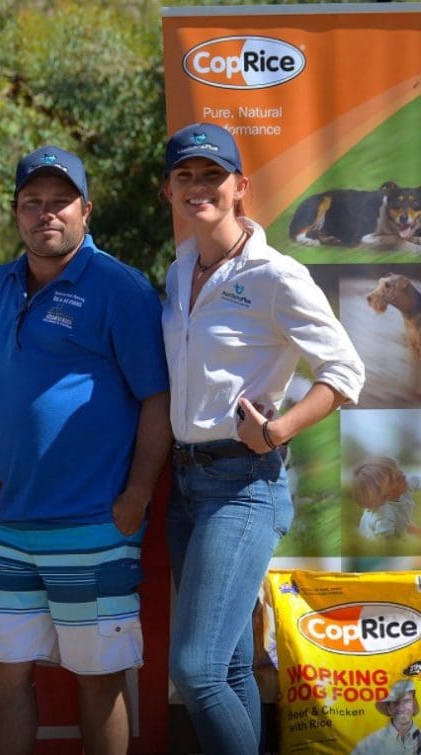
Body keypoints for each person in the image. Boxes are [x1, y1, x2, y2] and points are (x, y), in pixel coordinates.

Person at [0, 145, 171, 755]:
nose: (45, 214)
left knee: (98, 682)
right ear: (16, 212)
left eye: (60, 202)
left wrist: (136, 497)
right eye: (33, 202)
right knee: (2, 678)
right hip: (10, 526)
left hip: (95, 524)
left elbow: (158, 400)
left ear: (87, 209)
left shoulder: (120, 288)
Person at [160, 122, 365, 754]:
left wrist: (277, 430)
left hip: (243, 487)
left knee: (194, 670)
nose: (199, 188)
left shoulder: (278, 275)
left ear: (240, 188)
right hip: (185, 484)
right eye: (186, 177)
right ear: (168, 190)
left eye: (212, 177)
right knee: (225, 668)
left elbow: (346, 372)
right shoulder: (179, 269)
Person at [354, 457, 421, 539]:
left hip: (401, 523)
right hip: (375, 539)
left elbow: (403, 522)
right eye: (396, 479)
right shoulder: (383, 517)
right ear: (384, 495)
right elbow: (389, 545)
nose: (402, 475)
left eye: (399, 471)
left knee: (404, 524)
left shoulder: (405, 483)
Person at [351, 679, 421, 754]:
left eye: (406, 701)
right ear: (389, 707)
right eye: (395, 702)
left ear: (413, 704)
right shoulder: (369, 745)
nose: (401, 707)